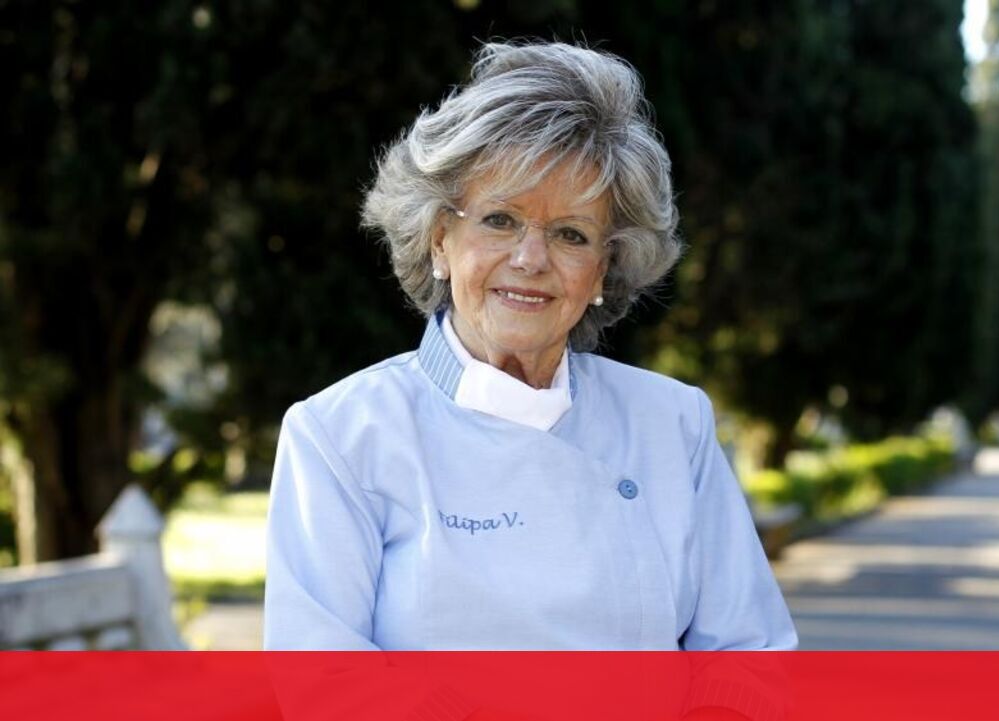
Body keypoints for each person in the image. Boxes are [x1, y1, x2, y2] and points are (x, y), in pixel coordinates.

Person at [264, 41, 796, 659]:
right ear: (439, 238)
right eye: (500, 220)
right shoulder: (339, 437)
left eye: (571, 234)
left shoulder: (675, 425)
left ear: (603, 271)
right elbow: (326, 684)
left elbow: (748, 656)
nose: (530, 259)